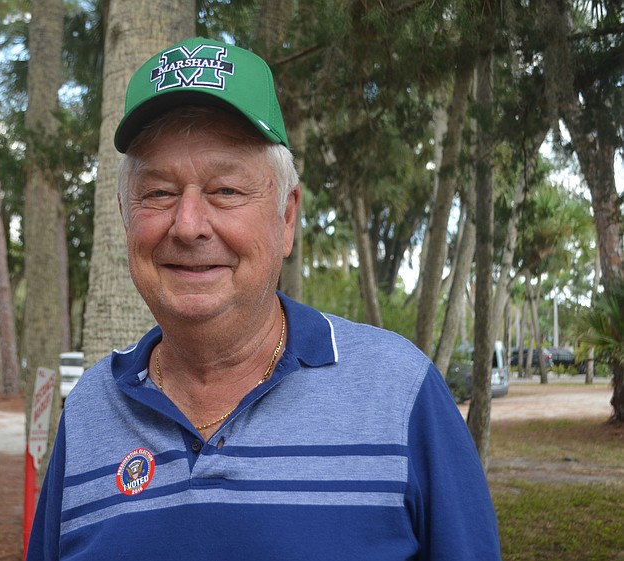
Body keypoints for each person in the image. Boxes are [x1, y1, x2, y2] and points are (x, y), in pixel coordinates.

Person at [26, 37, 502, 560]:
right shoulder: (93, 409)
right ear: (124, 214)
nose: (187, 226)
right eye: (158, 192)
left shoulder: (400, 394)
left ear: (287, 217)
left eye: (226, 190)